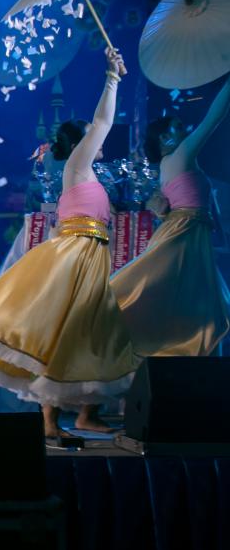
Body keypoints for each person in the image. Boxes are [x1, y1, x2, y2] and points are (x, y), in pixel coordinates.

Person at [0, 49, 139, 439]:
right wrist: (112, 77)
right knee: (61, 335)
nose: (99, 137)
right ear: (80, 142)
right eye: (90, 135)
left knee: (96, 336)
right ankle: (50, 421)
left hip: (91, 259)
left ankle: (85, 414)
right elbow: (103, 121)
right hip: (75, 257)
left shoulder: (89, 175)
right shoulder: (77, 166)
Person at [110, 77, 230, 356]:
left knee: (189, 301)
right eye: (177, 127)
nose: (184, 129)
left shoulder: (171, 162)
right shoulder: (182, 155)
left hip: (187, 232)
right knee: (181, 299)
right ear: (165, 139)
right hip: (183, 234)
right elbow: (213, 118)